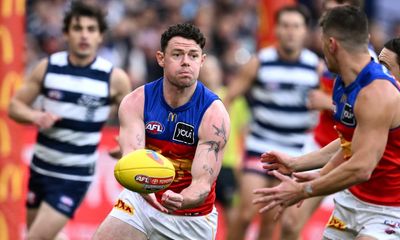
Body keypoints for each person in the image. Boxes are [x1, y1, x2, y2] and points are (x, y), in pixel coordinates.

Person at [254, 6, 400, 239]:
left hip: (386, 210)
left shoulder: (377, 92)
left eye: (322, 42)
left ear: (332, 44)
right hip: (350, 202)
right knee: (292, 223)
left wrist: (303, 190)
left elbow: (361, 167)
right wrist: (296, 164)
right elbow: (349, 143)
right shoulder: (341, 82)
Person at [93, 23, 230, 240]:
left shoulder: (214, 114)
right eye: (177, 54)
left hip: (190, 217)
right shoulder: (136, 101)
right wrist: (141, 187)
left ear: (201, 61)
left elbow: (202, 183)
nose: (186, 61)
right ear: (161, 58)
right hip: (140, 202)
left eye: (193, 56)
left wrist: (181, 199)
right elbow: (132, 160)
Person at [8, 2, 131, 239]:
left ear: (100, 36)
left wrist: (125, 141)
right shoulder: (48, 67)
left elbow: (133, 117)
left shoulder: (113, 78)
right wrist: (36, 116)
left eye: (91, 29)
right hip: (41, 168)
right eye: (78, 28)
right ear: (66, 33)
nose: (84, 34)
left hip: (74, 175)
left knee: (34, 238)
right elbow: (14, 106)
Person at [224, 5, 323, 240]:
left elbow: (337, 106)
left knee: (272, 220)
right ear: (276, 29)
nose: (290, 32)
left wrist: (326, 102)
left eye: (296, 26)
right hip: (260, 146)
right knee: (246, 213)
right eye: (285, 26)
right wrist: (219, 139)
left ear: (305, 31)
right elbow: (229, 97)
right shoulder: (260, 61)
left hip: (297, 153)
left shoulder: (317, 67)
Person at [199, 55, 250, 237]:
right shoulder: (196, 98)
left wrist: (241, 162)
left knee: (231, 211)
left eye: (212, 69)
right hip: (202, 164)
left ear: (219, 72)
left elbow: (244, 133)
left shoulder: (233, 98)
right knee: (198, 212)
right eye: (205, 70)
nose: (209, 74)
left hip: (228, 164)